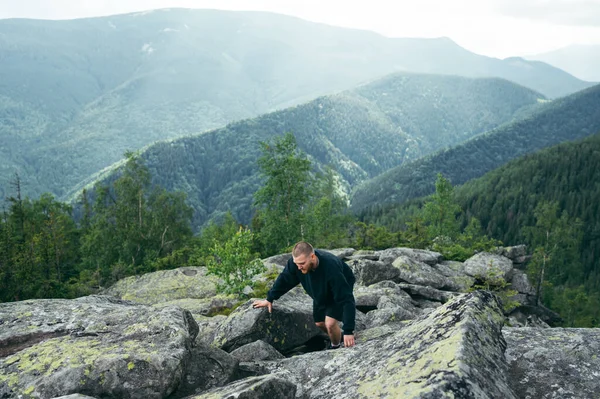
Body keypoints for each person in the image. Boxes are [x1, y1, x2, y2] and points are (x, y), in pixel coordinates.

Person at [253, 241, 356, 349]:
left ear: (312, 256)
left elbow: (346, 299)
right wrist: (269, 298)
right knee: (320, 323)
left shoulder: (331, 268)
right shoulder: (296, 264)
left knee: (330, 323)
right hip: (319, 289)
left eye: (302, 263)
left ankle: (336, 346)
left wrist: (349, 330)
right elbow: (284, 280)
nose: (298, 267)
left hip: (341, 285)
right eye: (296, 264)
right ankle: (338, 336)